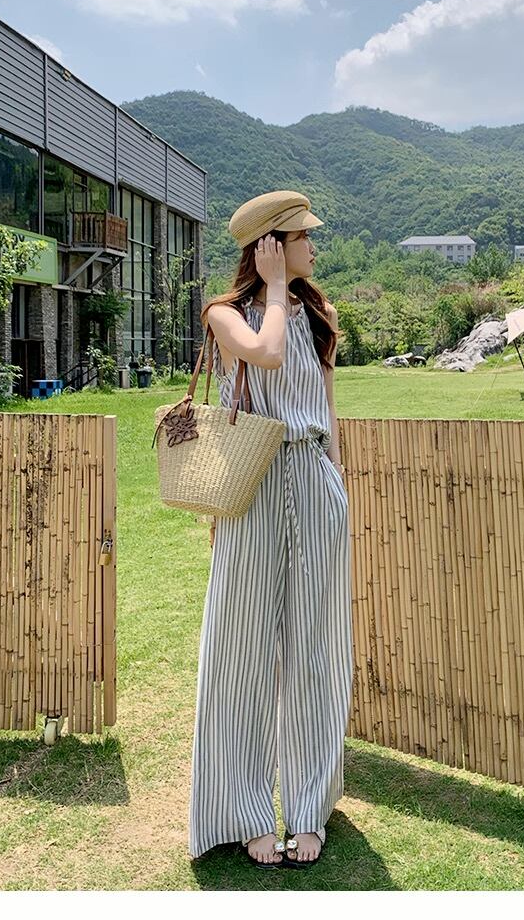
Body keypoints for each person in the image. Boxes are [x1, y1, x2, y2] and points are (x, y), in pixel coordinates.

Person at [188, 190, 352, 871]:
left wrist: (337, 486)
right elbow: (267, 353)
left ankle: (310, 806)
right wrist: (277, 289)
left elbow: (328, 410)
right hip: (252, 486)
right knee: (241, 653)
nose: (314, 244)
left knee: (317, 650)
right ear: (270, 247)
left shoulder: (321, 315)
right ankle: (245, 811)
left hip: (313, 481)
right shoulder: (225, 315)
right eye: (302, 236)